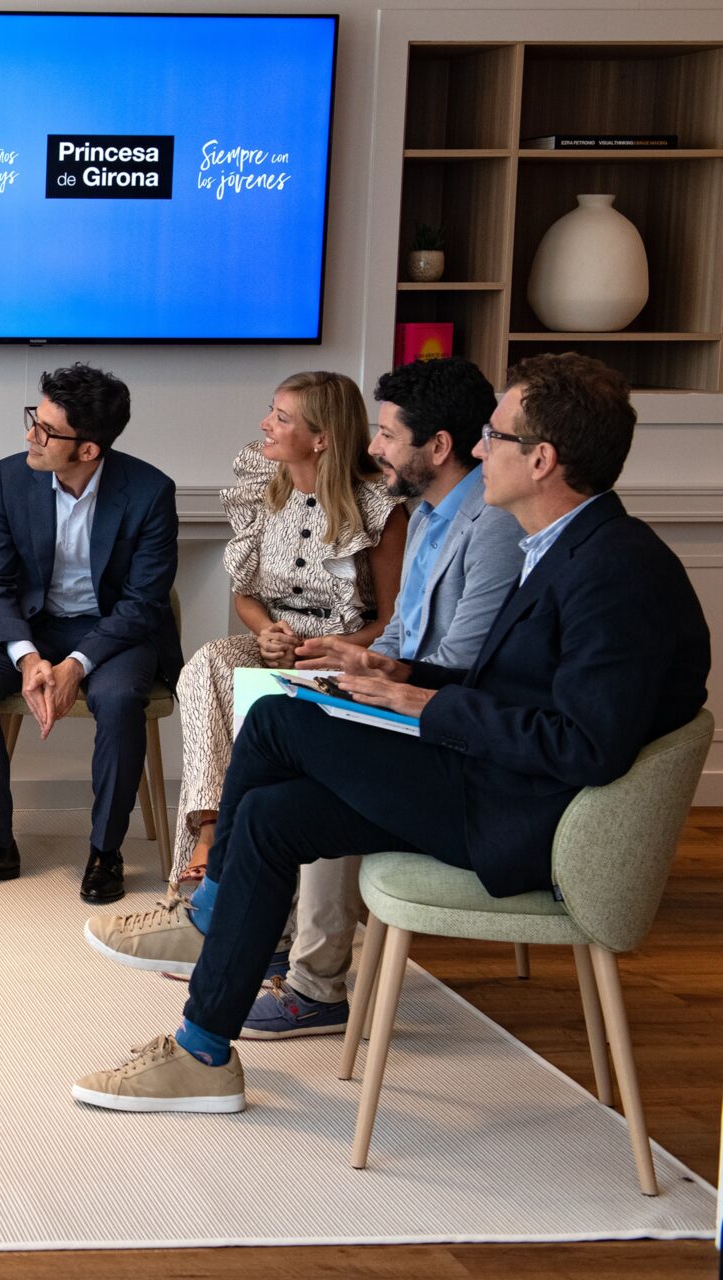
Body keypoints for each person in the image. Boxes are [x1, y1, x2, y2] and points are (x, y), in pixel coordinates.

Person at [74, 353, 711, 1114]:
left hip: (522, 816)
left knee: (275, 719)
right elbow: (519, 688)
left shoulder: (617, 573)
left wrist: (425, 705)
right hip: (489, 780)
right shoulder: (564, 547)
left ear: (541, 460)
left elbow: (585, 746)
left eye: (495, 437)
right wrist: (400, 679)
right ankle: (203, 1050)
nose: (479, 450)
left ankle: (209, 917)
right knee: (272, 816)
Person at [244, 356, 523, 1038]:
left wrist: (379, 682)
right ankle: (266, 928)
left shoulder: (492, 525)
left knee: (311, 750)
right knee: (276, 707)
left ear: (439, 446)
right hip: (408, 697)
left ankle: (314, 985)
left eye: (389, 435)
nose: (373, 448)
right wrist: (360, 658)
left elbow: (459, 667)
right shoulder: (429, 514)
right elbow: (402, 630)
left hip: (451, 730)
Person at [0, 362, 180, 904]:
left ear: (88, 449)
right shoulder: (9, 478)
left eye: (46, 430)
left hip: (113, 629)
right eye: (34, 419)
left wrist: (77, 664)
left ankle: (105, 851)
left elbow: (143, 603)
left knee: (119, 698)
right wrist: (27, 656)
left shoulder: (149, 492)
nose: (31, 435)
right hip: (32, 624)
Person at [170, 371, 406, 888]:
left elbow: (392, 622)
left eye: (281, 417)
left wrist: (331, 648)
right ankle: (211, 829)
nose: (265, 424)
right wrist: (266, 633)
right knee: (209, 662)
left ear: (321, 438)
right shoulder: (263, 488)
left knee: (265, 701)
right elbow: (245, 595)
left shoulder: (379, 509)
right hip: (275, 644)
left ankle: (239, 863)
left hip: (344, 654)